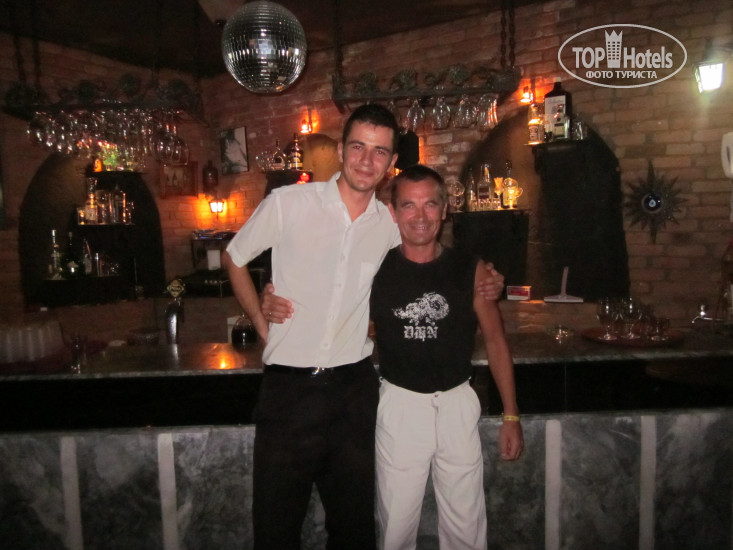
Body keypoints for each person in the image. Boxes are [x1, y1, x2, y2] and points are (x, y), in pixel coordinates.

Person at [224, 103, 504, 549]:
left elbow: (430, 248)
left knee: (354, 528)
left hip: (353, 391)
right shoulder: (289, 203)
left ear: (391, 162)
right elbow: (234, 257)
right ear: (341, 150)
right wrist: (261, 317)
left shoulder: (388, 224)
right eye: (358, 147)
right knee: (275, 527)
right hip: (288, 391)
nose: (366, 160)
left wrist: (487, 275)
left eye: (379, 151)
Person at [370, 165, 523, 550]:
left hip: (457, 403)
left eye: (429, 204)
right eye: (408, 205)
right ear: (393, 212)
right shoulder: (374, 270)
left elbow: (496, 341)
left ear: (444, 209)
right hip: (400, 405)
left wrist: (511, 414)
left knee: (466, 527)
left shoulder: (472, 269)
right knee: (394, 527)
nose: (419, 216)